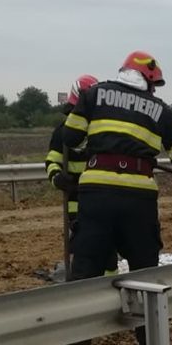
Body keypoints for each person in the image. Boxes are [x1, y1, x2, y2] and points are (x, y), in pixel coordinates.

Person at [54, 51, 172, 345]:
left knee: (85, 272)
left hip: (96, 195)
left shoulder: (93, 95)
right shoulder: (161, 111)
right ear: (149, 82)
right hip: (138, 200)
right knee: (146, 276)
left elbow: (70, 135)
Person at [45, 75, 120, 284]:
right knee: (85, 250)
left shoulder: (102, 130)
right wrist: (57, 178)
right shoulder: (63, 132)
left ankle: (109, 289)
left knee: (108, 252)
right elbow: (52, 160)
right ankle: (82, 291)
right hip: (76, 202)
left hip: (103, 198)